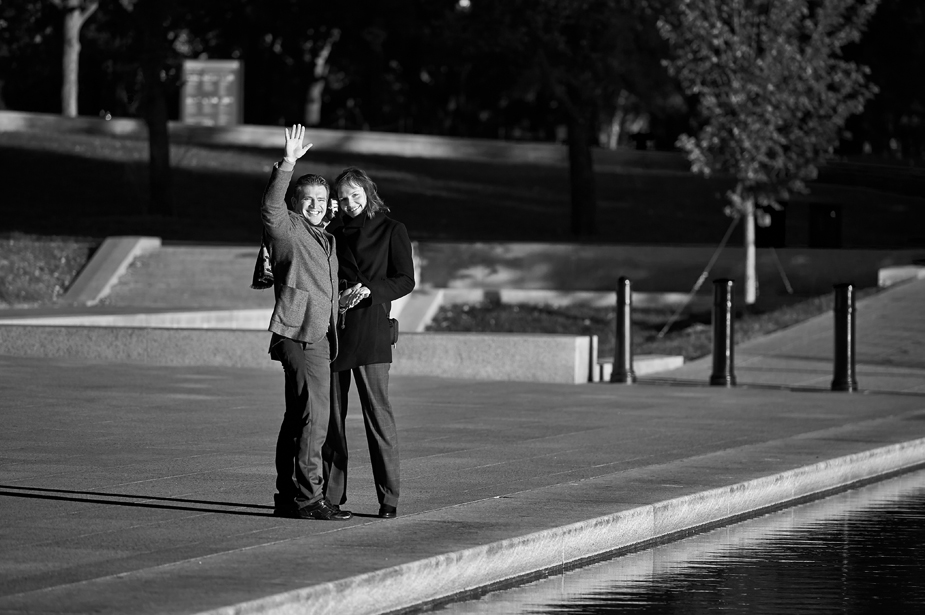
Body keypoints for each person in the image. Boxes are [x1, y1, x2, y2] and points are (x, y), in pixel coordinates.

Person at [261, 124, 351, 521]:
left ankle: (287, 495)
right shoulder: (288, 229)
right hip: (295, 333)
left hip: (321, 335)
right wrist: (289, 163)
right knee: (312, 415)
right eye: (308, 198)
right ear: (297, 202)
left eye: (321, 198)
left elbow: (321, 285)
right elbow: (270, 208)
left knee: (301, 414)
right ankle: (308, 498)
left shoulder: (327, 239)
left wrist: (340, 302)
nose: (315, 204)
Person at [322, 167, 415, 519]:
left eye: (355, 196)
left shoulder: (393, 230)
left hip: (373, 330)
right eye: (343, 198)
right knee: (333, 419)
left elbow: (405, 279)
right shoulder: (332, 231)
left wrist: (371, 291)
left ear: (368, 192)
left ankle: (389, 497)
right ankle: (332, 494)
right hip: (335, 331)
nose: (350, 203)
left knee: (378, 416)